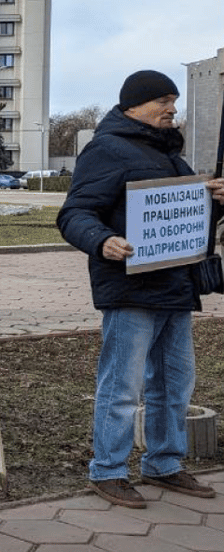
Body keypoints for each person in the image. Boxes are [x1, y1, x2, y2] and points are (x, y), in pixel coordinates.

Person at [57, 69, 224, 508]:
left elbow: (187, 222)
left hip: (175, 287)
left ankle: (164, 463)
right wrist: (102, 241)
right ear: (134, 106)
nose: (172, 108)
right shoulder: (107, 149)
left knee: (174, 384)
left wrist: (215, 204)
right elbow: (74, 214)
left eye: (174, 100)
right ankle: (108, 470)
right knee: (122, 385)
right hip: (130, 289)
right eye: (163, 100)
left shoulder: (172, 157)